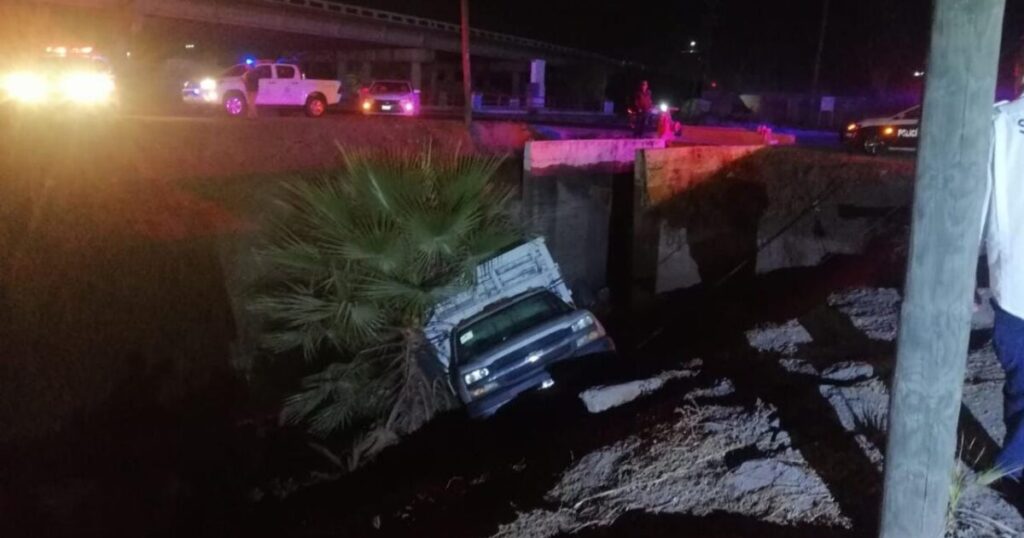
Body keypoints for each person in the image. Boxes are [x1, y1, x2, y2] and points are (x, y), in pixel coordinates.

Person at [982, 95, 1024, 478]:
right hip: (1014, 288)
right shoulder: (1000, 120)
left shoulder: (1000, 119)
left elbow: (976, 199)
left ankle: (1011, 465)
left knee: (1021, 382)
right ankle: (1011, 465)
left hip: (1013, 287)